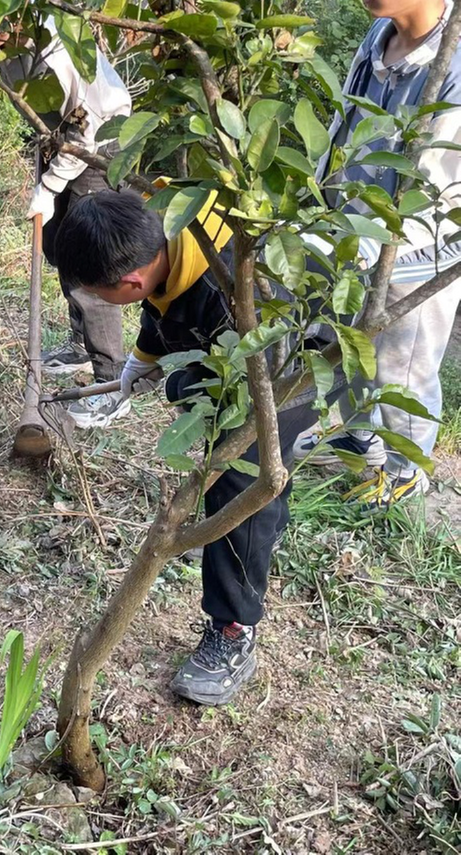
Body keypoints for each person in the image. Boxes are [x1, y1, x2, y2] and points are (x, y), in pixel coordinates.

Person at [52, 188, 347, 705]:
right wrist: (143, 358)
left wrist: (170, 380)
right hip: (239, 353)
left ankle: (234, 629)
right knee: (239, 466)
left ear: (130, 281)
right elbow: (164, 304)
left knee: (241, 485)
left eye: (102, 294)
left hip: (289, 371)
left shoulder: (229, 287)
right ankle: (268, 513)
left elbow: (237, 395)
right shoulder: (171, 229)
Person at [294, 0, 461, 508]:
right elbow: (345, 119)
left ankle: (407, 470)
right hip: (350, 230)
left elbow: (440, 186)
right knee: (347, 347)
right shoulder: (380, 35)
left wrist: (365, 245)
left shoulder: (454, 66)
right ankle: (360, 443)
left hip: (419, 246)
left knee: (405, 365)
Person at [0, 0, 133, 428]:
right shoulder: (5, 41)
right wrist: (47, 174)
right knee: (59, 249)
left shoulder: (54, 43)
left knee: (92, 264)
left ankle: (111, 382)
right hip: (58, 142)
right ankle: (79, 344)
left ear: (11, 0)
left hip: (99, 147)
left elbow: (87, 126)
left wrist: (51, 185)